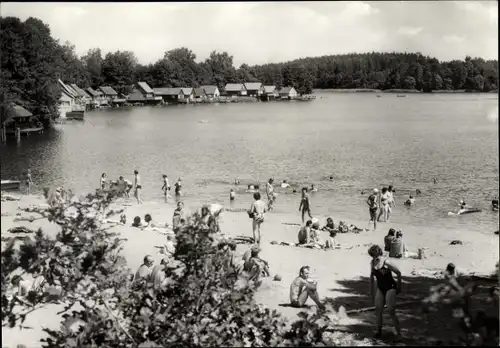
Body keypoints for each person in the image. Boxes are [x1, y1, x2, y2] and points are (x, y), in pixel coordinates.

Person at [368, 245, 402, 339]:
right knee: (378, 310)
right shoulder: (372, 263)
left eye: (376, 256)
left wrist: (399, 287)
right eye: (373, 256)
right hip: (380, 288)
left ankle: (399, 335)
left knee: (391, 311)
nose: (375, 258)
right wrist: (371, 292)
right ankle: (379, 331)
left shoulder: (386, 262)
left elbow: (398, 273)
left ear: (380, 253)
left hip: (390, 287)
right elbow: (371, 277)